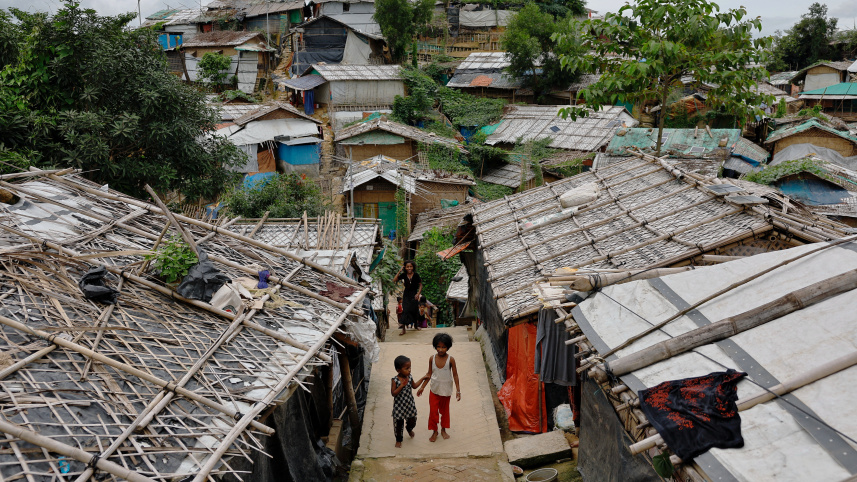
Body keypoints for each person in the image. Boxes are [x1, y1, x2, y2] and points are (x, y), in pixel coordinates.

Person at [416, 332, 461, 442]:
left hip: (446, 391)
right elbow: (429, 374)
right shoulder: (432, 358)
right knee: (433, 412)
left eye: (443, 347)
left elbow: (455, 375)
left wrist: (458, 390)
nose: (441, 349)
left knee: (445, 412)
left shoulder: (451, 360)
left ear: (448, 347)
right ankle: (434, 431)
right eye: (438, 347)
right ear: (435, 346)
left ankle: (443, 429)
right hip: (434, 390)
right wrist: (422, 387)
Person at [391, 355, 427, 448]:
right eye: (406, 368)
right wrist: (401, 386)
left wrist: (423, 378)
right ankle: (398, 440)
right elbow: (393, 393)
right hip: (399, 406)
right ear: (398, 370)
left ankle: (409, 428)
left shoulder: (409, 377)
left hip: (409, 404)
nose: (409, 370)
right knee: (398, 425)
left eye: (410, 367)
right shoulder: (395, 380)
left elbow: (414, 386)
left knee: (412, 420)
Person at [393, 260, 422, 336]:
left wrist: (418, 294)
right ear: (405, 268)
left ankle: (415, 325)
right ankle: (403, 329)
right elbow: (394, 280)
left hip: (414, 294)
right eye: (407, 267)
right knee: (405, 310)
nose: (409, 268)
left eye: (411, 266)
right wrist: (400, 271)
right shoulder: (404, 275)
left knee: (414, 309)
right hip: (406, 295)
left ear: (413, 267)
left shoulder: (416, 275)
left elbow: (420, 285)